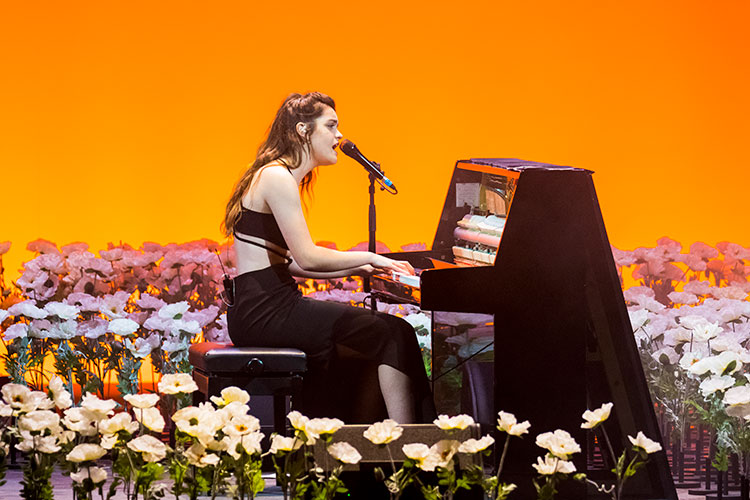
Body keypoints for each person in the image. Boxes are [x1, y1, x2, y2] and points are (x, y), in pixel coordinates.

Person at [222, 92, 435, 423]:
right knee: (395, 333)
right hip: (266, 310)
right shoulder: (277, 177)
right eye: (331, 126)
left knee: (371, 342)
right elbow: (307, 258)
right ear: (303, 130)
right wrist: (372, 257)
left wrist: (361, 267)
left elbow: (290, 263)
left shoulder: (274, 174)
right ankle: (407, 441)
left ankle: (362, 438)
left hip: (259, 306)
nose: (339, 136)